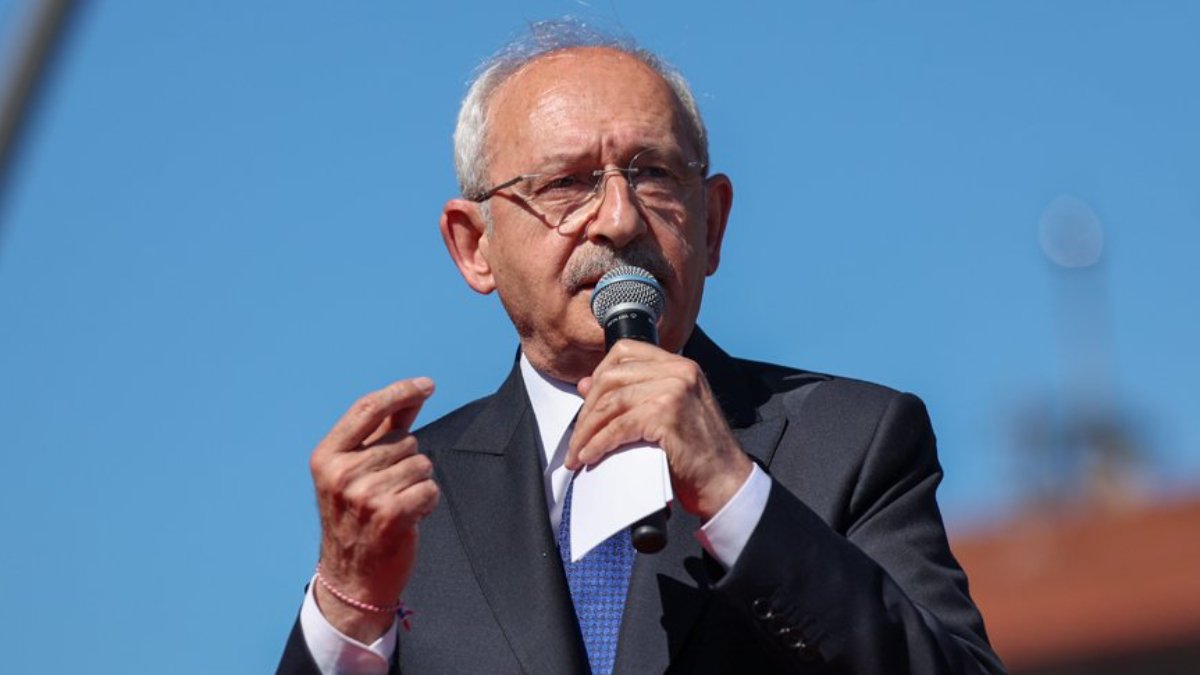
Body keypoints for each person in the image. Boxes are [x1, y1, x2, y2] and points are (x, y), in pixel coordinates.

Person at [277, 20, 1005, 675]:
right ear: (474, 246)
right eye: (567, 183)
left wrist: (735, 495)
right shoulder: (411, 502)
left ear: (712, 224)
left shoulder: (850, 442)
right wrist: (347, 612)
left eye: (653, 174)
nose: (620, 219)